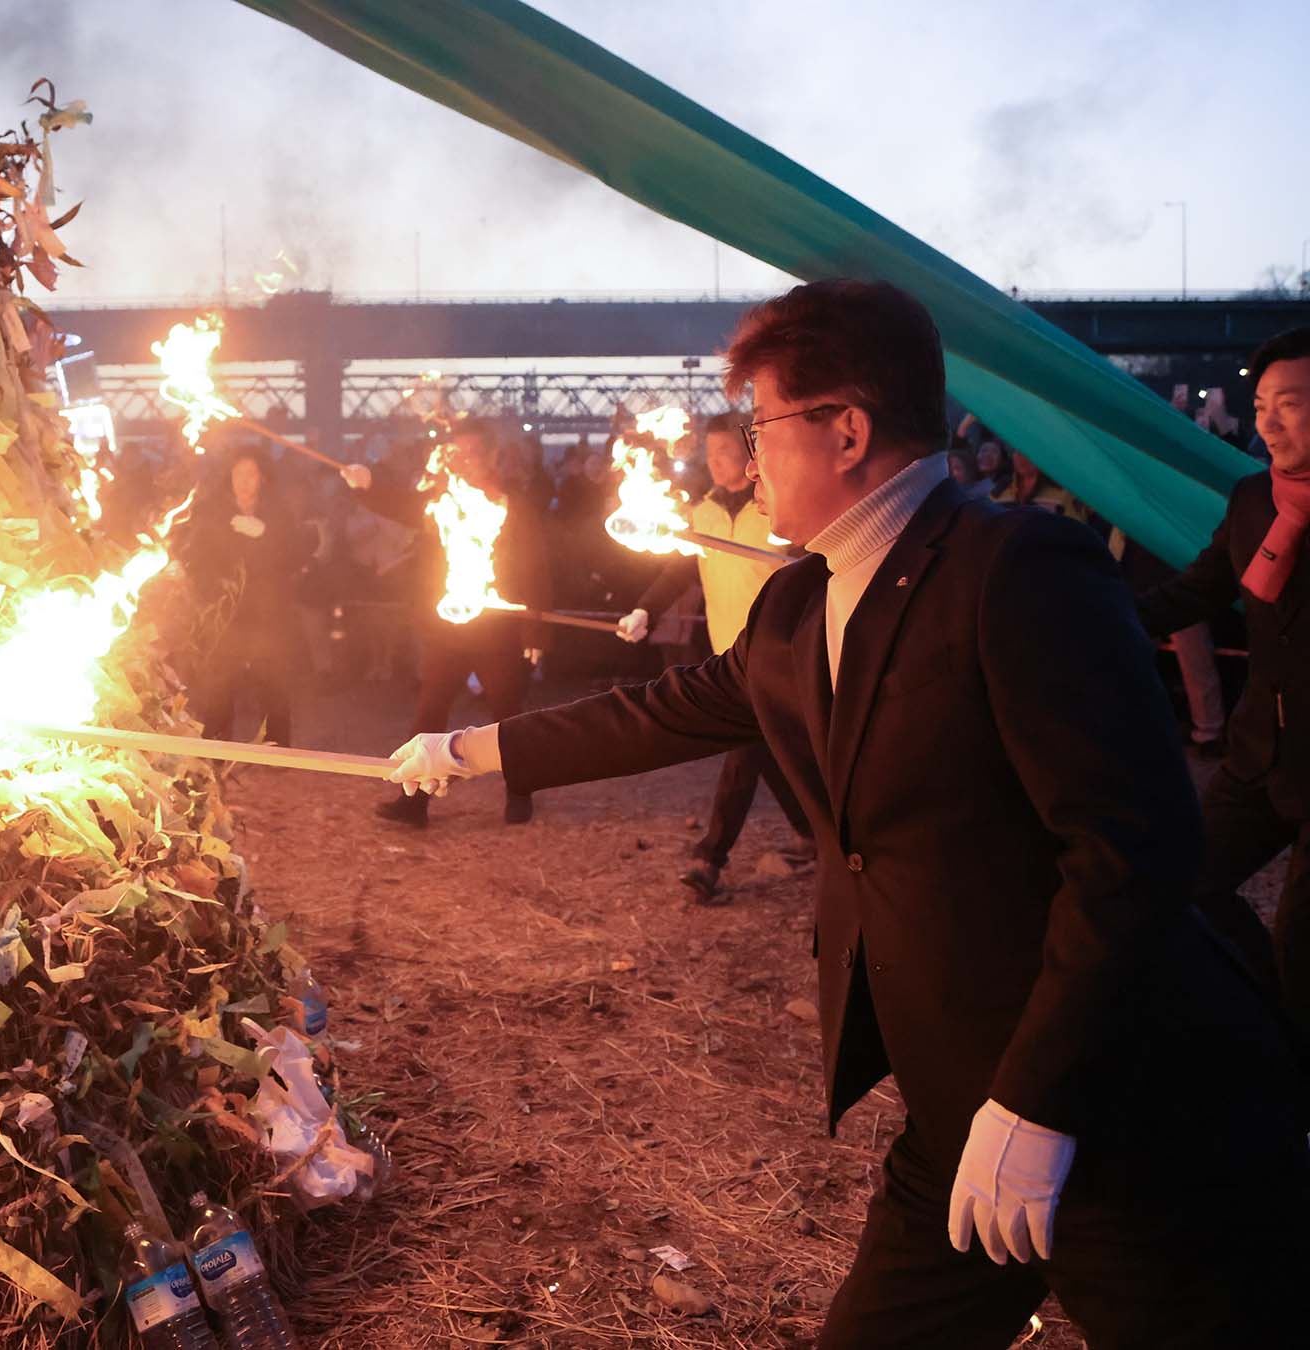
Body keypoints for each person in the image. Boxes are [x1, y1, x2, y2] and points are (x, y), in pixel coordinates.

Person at [389, 280, 1309, 1346]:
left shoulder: (1015, 570)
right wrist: (468, 748)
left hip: (1129, 1115)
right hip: (956, 1105)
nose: (742, 451)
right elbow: (664, 711)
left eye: (758, 425)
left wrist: (1039, 1103)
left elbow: (1131, 854)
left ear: (846, 430)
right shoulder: (798, 602)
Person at [1134, 327, 1310, 1035]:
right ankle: (1276, 1020)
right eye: (1261, 403)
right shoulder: (1252, 498)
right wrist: (1088, 614)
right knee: (1182, 884)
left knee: (1302, 946)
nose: (1267, 421)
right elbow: (1199, 591)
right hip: (1259, 752)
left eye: (1291, 403)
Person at [616, 411, 813, 902]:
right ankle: (813, 832)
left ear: (751, 456)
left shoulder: (776, 512)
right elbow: (681, 571)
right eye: (710, 454)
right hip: (729, 653)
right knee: (768, 748)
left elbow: (818, 568)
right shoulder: (702, 513)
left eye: (727, 453)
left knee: (747, 747)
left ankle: (709, 857)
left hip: (781, 651)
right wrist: (645, 609)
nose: (717, 463)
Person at [343, 423, 552, 827]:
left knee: (506, 713)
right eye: (455, 453)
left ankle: (521, 790)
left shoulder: (512, 506)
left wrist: (535, 631)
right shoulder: (443, 500)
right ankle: (415, 801)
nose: (462, 461)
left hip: (496, 629)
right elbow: (403, 505)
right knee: (429, 710)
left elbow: (536, 569)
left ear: (490, 456)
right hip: (448, 627)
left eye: (471, 452)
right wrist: (367, 485)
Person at [174, 446, 314, 745]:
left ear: (262, 478)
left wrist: (266, 535)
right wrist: (211, 591)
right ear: (230, 477)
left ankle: (276, 746)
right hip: (227, 612)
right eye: (239, 474)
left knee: (274, 680)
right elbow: (197, 557)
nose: (245, 481)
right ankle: (216, 745)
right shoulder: (214, 513)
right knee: (220, 680)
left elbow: (294, 554)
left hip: (269, 611)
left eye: (251, 474)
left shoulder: (277, 513)